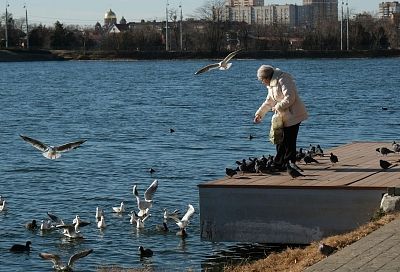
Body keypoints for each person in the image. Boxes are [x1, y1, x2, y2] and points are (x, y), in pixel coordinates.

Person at [254, 65, 308, 171]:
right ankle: (280, 163)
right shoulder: (271, 85)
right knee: (279, 139)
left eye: (262, 80)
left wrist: (277, 107)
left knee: (289, 140)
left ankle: (288, 164)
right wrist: (259, 114)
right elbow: (269, 101)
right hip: (283, 115)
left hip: (294, 114)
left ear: (267, 77)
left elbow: (290, 97)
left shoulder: (284, 79)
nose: (262, 82)